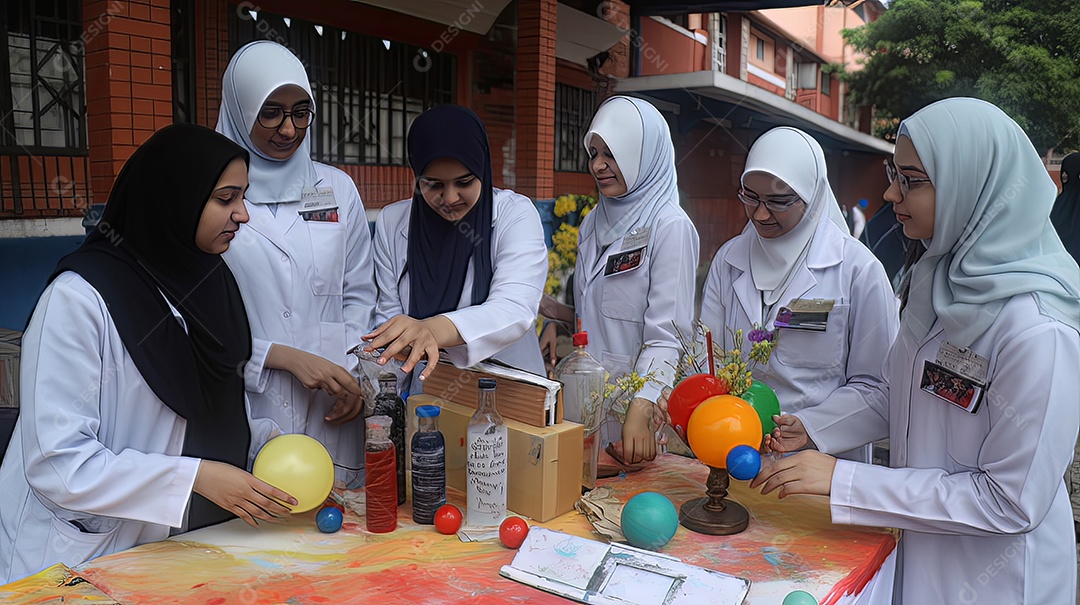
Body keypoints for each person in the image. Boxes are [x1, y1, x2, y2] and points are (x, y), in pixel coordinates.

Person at [754, 98, 1080, 603]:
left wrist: (845, 481)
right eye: (893, 174)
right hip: (919, 550)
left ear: (974, 187)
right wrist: (814, 428)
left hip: (998, 579)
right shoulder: (936, 285)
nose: (889, 193)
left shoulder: (1038, 329)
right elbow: (902, 392)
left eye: (912, 180)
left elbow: (1009, 502)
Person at [0, 124, 296, 584]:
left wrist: (267, 444)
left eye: (244, 197)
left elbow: (209, 408)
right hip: (88, 554)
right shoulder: (79, 300)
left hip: (191, 546)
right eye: (225, 199)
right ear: (175, 198)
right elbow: (57, 463)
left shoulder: (208, 282)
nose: (243, 215)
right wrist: (195, 477)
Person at [216, 41, 376, 486]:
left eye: (301, 112)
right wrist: (274, 357)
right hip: (247, 400)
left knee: (339, 540)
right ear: (240, 108)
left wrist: (356, 374)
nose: (289, 130)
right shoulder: (208, 194)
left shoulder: (336, 189)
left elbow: (360, 292)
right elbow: (195, 313)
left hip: (334, 403)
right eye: (271, 112)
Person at [699, 127, 897, 463]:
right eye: (750, 197)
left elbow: (880, 389)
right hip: (734, 454)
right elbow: (708, 358)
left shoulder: (856, 270)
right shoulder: (729, 261)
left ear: (814, 195)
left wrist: (812, 427)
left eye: (778, 201)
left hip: (820, 464)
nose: (761, 214)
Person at [540, 96, 699, 467]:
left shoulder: (669, 227)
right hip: (584, 399)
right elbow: (595, 312)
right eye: (593, 152)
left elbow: (668, 336)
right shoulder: (593, 222)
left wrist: (643, 406)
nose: (598, 165)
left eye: (612, 154)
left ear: (642, 155)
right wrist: (551, 314)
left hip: (634, 415)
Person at [363, 104, 547, 385]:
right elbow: (390, 314)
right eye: (433, 184)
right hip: (427, 391)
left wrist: (430, 330)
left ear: (482, 169)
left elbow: (514, 308)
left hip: (510, 391)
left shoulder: (516, 214)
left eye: (464, 182)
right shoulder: (393, 221)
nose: (449, 198)